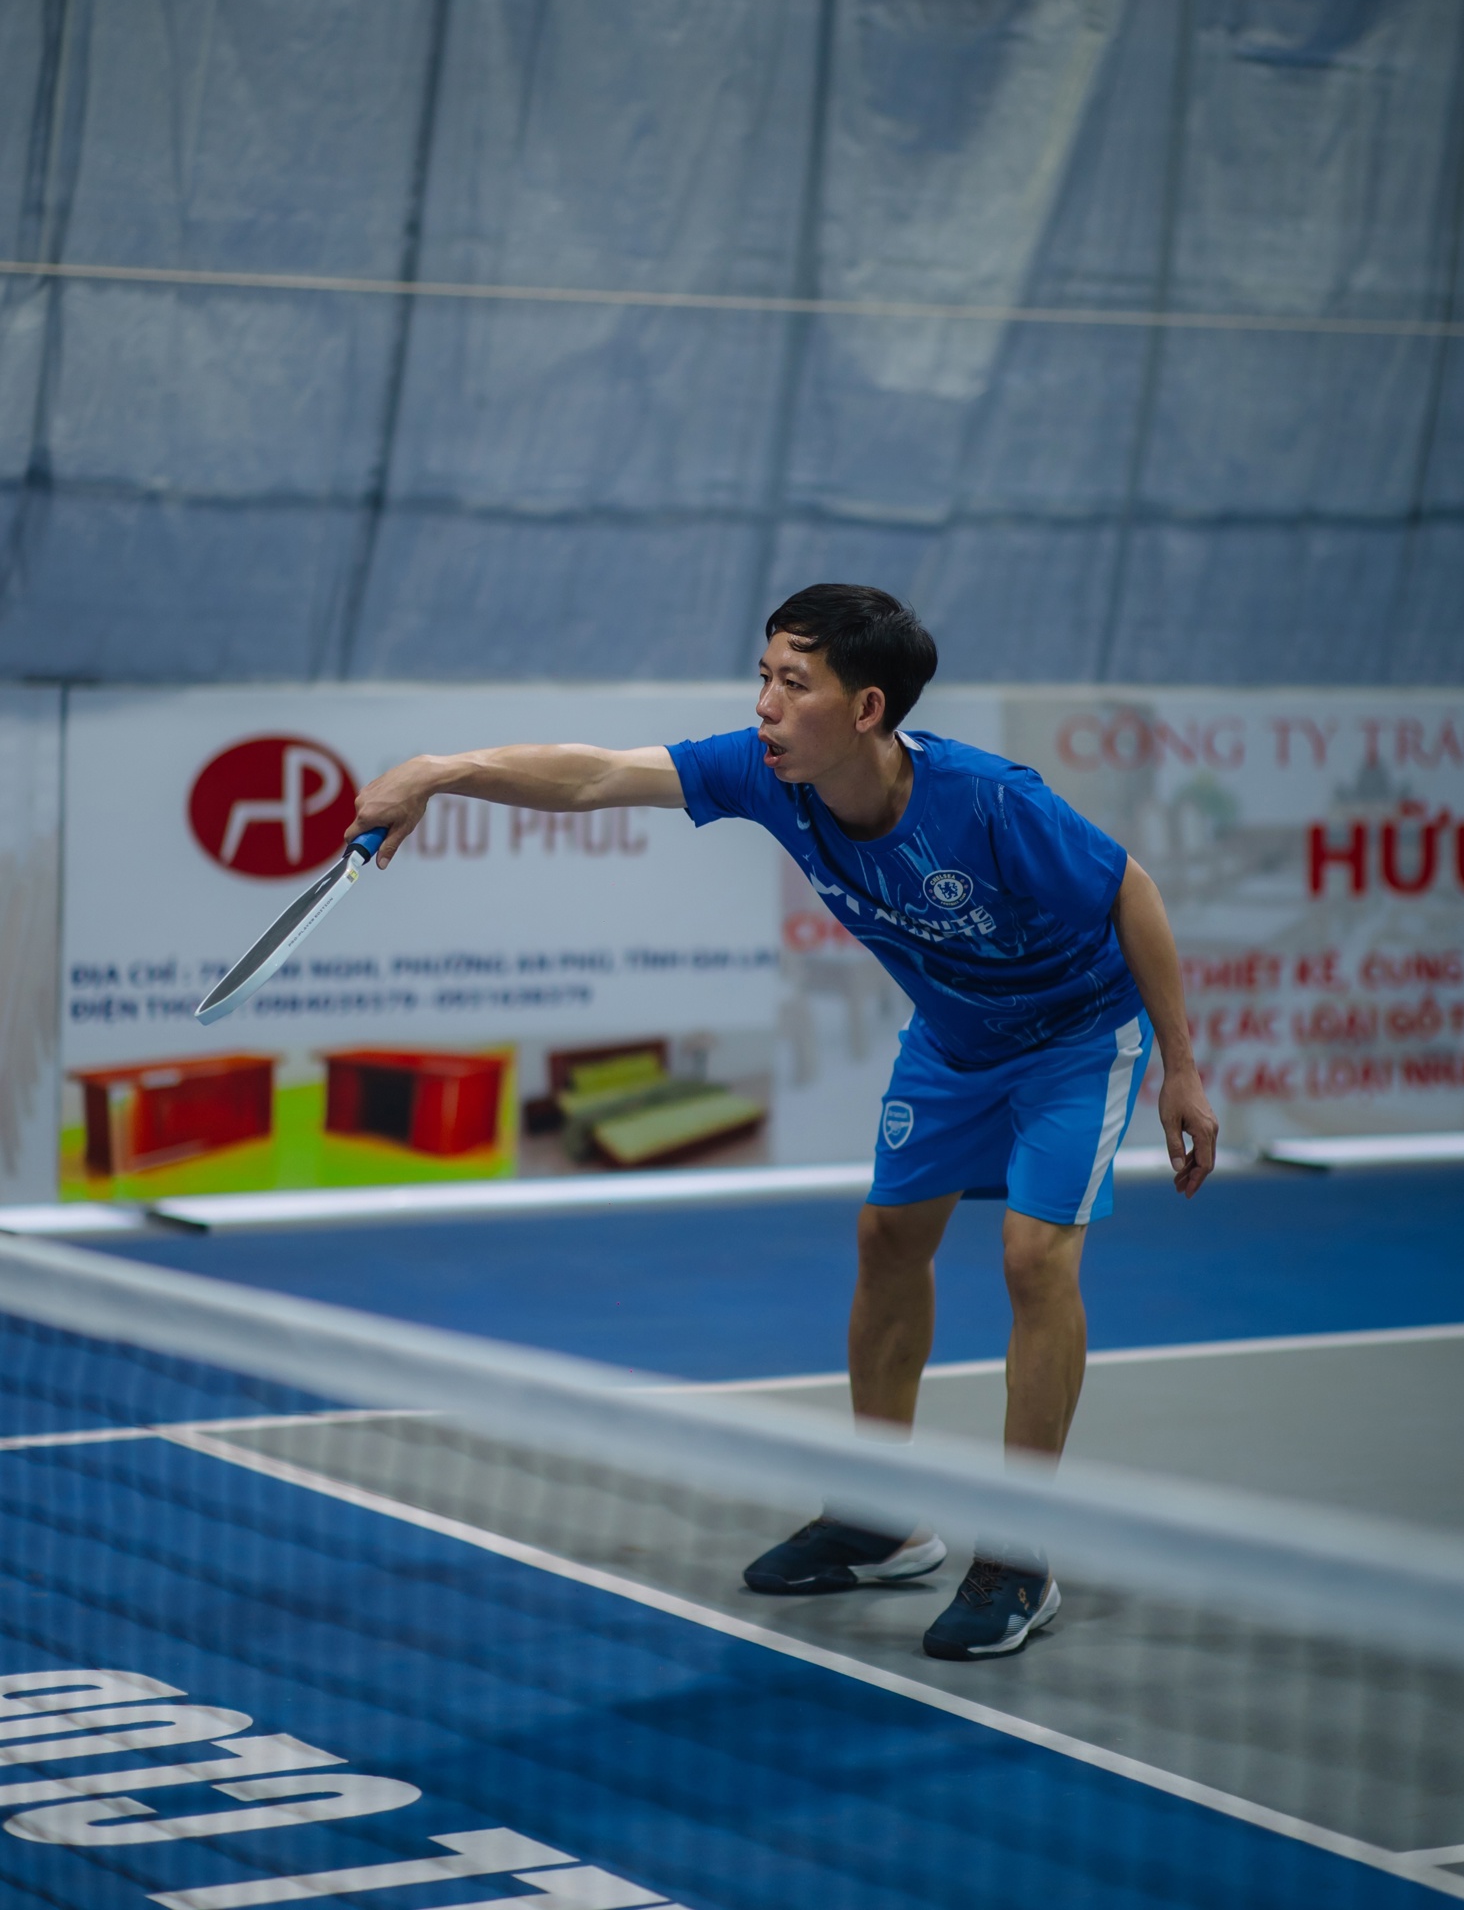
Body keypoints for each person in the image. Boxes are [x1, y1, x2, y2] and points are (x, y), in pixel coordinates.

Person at [348, 583, 1217, 1663]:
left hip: (1075, 1039)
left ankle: (1019, 1553)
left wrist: (1182, 1069)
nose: (763, 703)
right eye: (763, 675)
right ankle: (880, 1515)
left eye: (792, 683)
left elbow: (1131, 892)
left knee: (1034, 1259)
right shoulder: (764, 774)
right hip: (953, 1039)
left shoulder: (990, 802)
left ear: (866, 708)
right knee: (887, 1238)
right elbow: (597, 774)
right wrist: (441, 770)